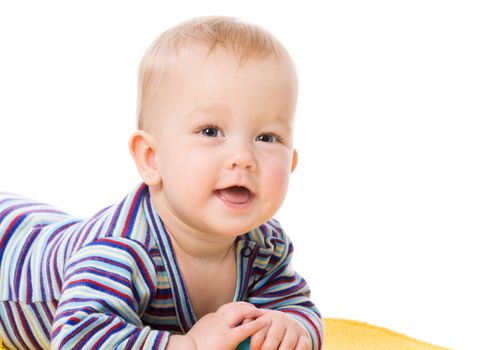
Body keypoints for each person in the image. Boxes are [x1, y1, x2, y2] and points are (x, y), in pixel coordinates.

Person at [0, 16, 322, 349]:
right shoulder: (121, 251)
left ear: (292, 160)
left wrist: (292, 327)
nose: (243, 156)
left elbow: (297, 306)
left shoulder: (264, 246)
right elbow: (77, 339)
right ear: (151, 157)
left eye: (268, 137)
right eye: (210, 131)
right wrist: (188, 345)